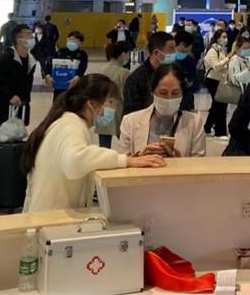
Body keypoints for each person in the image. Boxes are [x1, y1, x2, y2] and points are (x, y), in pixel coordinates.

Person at [22, 75, 166, 213]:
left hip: (52, 216)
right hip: (52, 219)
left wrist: (130, 159)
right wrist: (125, 160)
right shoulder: (70, 125)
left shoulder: (70, 122)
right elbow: (74, 161)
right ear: (91, 104)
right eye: (110, 103)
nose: (112, 110)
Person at [118, 65, 206, 158]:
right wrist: (141, 158)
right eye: (163, 93)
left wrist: (179, 161)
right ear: (152, 92)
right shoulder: (130, 122)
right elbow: (123, 161)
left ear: (182, 94)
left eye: (175, 93)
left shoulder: (195, 123)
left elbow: (200, 163)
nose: (169, 98)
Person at [0, 25, 49, 136]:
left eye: (31, 34)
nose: (32, 37)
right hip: (2, 108)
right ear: (18, 39)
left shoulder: (31, 59)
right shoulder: (6, 58)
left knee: (16, 138)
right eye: (27, 34)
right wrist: (10, 96)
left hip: (21, 107)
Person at [123, 32, 176, 116]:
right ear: (157, 53)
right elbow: (131, 115)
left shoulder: (174, 73)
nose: (175, 52)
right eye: (171, 49)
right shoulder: (136, 80)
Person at [95, 42, 131, 148]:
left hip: (102, 109)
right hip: (118, 110)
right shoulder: (124, 73)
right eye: (128, 53)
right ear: (123, 54)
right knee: (125, 143)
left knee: (104, 145)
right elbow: (125, 95)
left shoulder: (101, 70)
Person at [203, 30, 233, 137]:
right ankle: (220, 132)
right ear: (217, 38)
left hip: (220, 80)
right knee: (220, 106)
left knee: (217, 105)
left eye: (226, 37)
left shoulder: (222, 49)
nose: (225, 39)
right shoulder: (213, 51)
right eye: (223, 37)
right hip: (212, 80)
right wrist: (227, 58)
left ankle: (207, 126)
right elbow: (216, 66)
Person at [46, 30, 89, 99]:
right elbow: (49, 64)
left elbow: (82, 68)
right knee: (58, 102)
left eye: (74, 40)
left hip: (74, 85)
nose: (71, 41)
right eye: (70, 39)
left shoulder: (82, 54)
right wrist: (48, 75)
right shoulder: (60, 52)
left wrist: (77, 77)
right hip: (59, 86)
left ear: (80, 42)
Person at [173, 31, 198, 111]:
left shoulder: (190, 58)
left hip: (186, 97)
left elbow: (193, 76)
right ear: (181, 44)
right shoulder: (167, 58)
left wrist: (189, 82)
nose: (185, 53)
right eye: (184, 51)